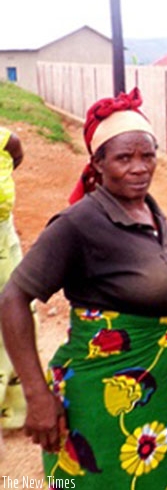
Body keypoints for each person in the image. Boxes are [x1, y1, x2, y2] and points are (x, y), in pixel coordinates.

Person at [0, 88, 167, 489]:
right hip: (108, 398)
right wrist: (37, 395)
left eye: (147, 156)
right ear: (97, 163)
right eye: (124, 158)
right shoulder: (78, 224)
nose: (139, 168)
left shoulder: (150, 209)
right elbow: (12, 298)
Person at [0, 126, 29, 434]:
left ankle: (13, 409)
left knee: (13, 315)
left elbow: (15, 156)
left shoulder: (6, 140)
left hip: (2, 242)